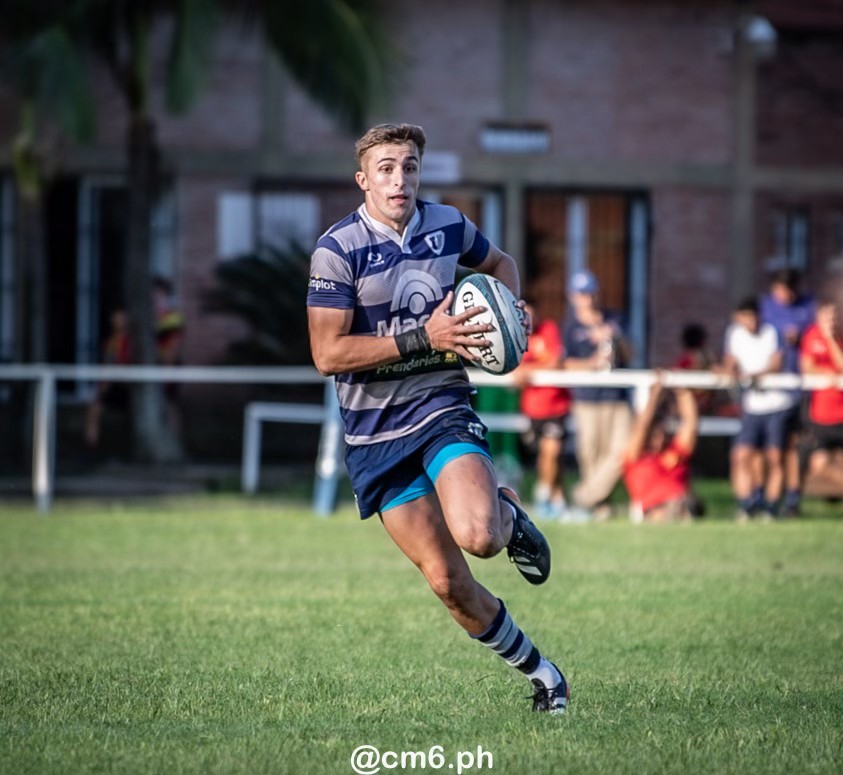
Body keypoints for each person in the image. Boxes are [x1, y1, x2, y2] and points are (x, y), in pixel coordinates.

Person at [306, 123, 569, 714]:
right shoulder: (338, 248)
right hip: (373, 433)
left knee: (478, 536)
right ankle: (544, 675)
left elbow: (500, 264)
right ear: (363, 180)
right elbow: (328, 354)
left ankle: (501, 511)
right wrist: (423, 335)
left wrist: (514, 311)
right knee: (450, 585)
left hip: (440, 405)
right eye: (386, 169)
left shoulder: (448, 225)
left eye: (410, 167)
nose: (400, 180)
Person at [561, 270, 633, 521]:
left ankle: (583, 497)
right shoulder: (570, 327)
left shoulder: (615, 318)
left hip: (617, 396)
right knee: (591, 453)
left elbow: (630, 354)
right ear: (573, 297)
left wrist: (614, 335)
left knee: (620, 452)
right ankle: (600, 506)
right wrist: (592, 362)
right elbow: (566, 363)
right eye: (582, 294)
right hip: (587, 398)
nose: (587, 299)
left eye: (590, 293)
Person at [721, 297, 797, 521]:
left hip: (777, 403)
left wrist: (753, 375)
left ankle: (771, 507)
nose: (750, 323)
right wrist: (727, 372)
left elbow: (776, 364)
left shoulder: (772, 332)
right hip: (752, 405)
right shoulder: (734, 334)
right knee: (741, 455)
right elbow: (731, 362)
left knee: (774, 456)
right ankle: (746, 504)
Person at [759, 268, 816, 516]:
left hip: (799, 388)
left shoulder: (809, 307)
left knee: (793, 447)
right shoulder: (764, 309)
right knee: (769, 450)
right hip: (770, 393)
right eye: (781, 290)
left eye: (790, 290)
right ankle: (763, 500)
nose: (785, 295)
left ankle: (792, 500)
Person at [512, 301, 573, 521]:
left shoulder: (548, 329)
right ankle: (558, 501)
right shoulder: (514, 336)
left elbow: (556, 361)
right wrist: (519, 374)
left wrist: (528, 369)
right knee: (547, 458)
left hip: (556, 405)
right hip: (532, 408)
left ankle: (542, 494)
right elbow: (513, 372)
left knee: (552, 451)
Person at [622, 375, 699, 524]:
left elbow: (691, 424)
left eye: (662, 434)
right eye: (654, 435)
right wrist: (655, 395)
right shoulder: (636, 458)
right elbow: (642, 425)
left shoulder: (674, 452)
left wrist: (683, 392)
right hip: (656, 510)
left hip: (681, 503)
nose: (659, 439)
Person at [799, 290, 843, 496]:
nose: (831, 321)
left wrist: (831, 340)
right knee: (819, 464)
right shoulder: (811, 336)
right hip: (822, 416)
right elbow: (807, 367)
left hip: (841, 414)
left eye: (834, 317)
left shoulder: (839, 337)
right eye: (827, 316)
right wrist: (828, 372)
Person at [84, 308, 132, 451]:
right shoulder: (110, 341)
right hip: (111, 386)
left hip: (128, 386)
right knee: (93, 410)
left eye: (121, 317)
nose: (118, 321)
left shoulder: (133, 341)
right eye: (116, 317)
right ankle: (91, 448)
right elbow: (106, 364)